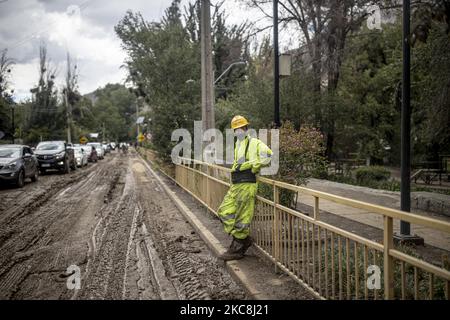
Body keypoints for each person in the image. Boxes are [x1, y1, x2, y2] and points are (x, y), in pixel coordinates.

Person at [218, 115, 273, 261]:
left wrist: (253, 165)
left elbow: (268, 155)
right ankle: (243, 238)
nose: (238, 131)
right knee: (224, 211)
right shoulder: (238, 144)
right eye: (236, 129)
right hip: (236, 185)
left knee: (243, 217)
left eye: (240, 128)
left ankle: (238, 247)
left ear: (246, 128)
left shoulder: (254, 142)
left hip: (247, 184)